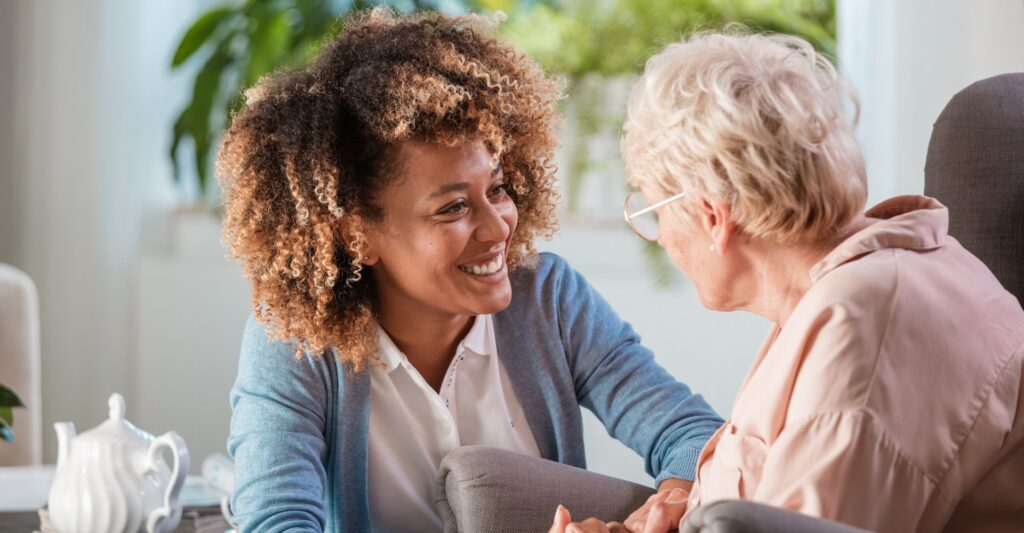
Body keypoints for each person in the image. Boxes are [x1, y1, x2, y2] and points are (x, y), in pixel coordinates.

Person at [219, 9, 723, 532]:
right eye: (452, 208)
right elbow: (274, 522)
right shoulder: (296, 341)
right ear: (357, 235)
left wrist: (664, 509)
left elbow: (694, 437)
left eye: (498, 189)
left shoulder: (550, 300)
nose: (498, 226)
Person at [552, 31, 1024, 533]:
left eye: (654, 211)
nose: (660, 238)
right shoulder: (845, 294)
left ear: (714, 217)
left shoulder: (864, 325)